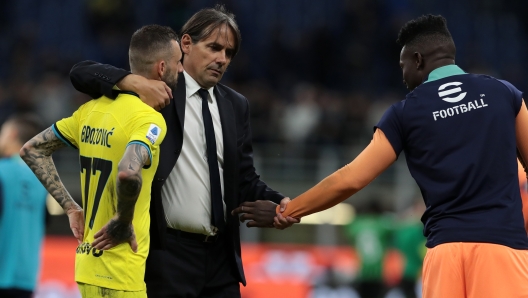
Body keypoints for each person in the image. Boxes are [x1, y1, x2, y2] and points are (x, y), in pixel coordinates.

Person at [275, 14, 528, 298]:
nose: (403, 75)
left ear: (417, 60)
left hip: (444, 254)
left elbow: (351, 178)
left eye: (403, 65)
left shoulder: (404, 113)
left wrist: (289, 210)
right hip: (503, 249)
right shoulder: (504, 93)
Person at [69, 5, 297, 297]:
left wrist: (279, 204)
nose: (221, 59)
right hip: (168, 256)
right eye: (214, 47)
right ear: (186, 44)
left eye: (228, 53)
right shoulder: (156, 91)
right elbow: (80, 73)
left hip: (221, 260)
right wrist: (131, 81)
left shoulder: (236, 105)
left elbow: (243, 177)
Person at [20, 24, 178, 297]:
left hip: (87, 267)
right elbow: (128, 172)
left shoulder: (89, 111)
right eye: (179, 64)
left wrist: (71, 208)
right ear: (162, 68)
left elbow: (32, 150)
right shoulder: (149, 120)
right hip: (121, 271)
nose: (182, 70)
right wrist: (123, 220)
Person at [0, 114, 49, 298]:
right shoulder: (43, 179)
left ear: (12, 134)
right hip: (26, 277)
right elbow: (45, 220)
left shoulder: (1, 172)